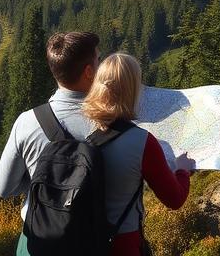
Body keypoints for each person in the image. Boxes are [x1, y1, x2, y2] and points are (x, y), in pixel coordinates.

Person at [0, 31, 101, 255]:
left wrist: (40, 179)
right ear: (89, 72)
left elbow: (3, 189)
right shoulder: (110, 121)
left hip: (38, 238)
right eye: (98, 60)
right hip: (92, 239)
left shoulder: (27, 122)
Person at [82, 52, 194, 255]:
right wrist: (183, 171)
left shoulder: (84, 133)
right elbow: (174, 199)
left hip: (86, 241)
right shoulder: (142, 142)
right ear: (133, 91)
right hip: (124, 243)